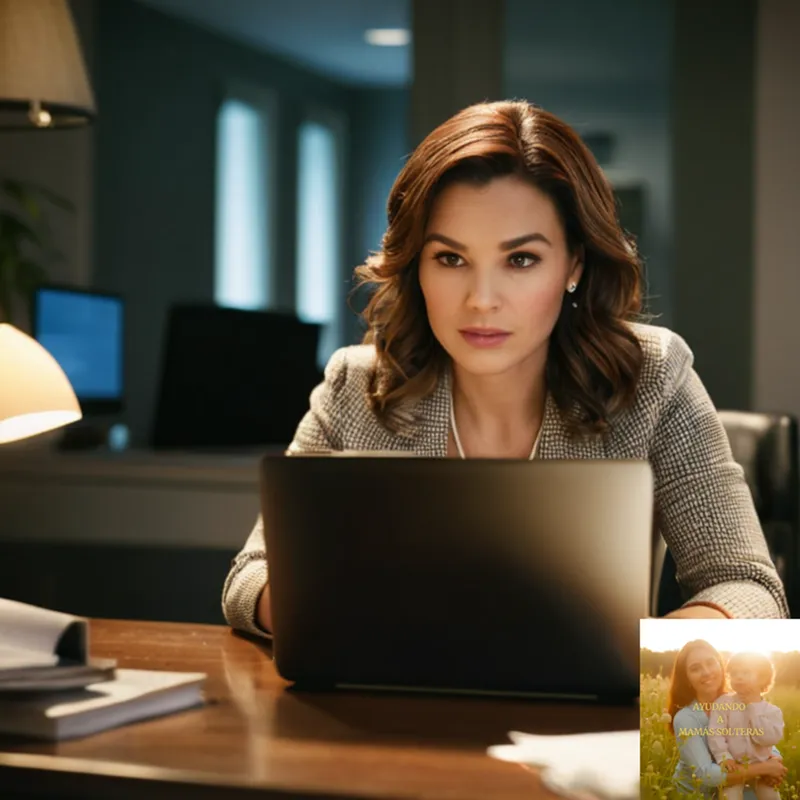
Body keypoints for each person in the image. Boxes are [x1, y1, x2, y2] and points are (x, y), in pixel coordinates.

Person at [221, 99, 789, 639]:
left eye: (521, 259)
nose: (482, 299)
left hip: (587, 729)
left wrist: (628, 654)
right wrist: (353, 612)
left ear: (574, 264)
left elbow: (750, 591)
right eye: (450, 258)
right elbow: (250, 579)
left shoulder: (652, 379)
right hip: (395, 713)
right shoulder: (357, 386)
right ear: (415, 266)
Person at [668, 640, 787, 799]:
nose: (706, 672)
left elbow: (761, 739)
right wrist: (765, 768)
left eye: (711, 663)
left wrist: (775, 760)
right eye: (695, 668)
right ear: (687, 678)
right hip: (700, 793)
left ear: (721, 666)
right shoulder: (685, 718)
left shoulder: (740, 700)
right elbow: (706, 774)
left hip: (740, 782)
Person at [707, 652, 785, 800]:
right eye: (734, 673)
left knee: (771, 797)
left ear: (762, 678)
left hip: (762, 770)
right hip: (734, 767)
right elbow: (715, 733)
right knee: (729, 796)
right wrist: (724, 758)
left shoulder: (772, 711)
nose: (739, 677)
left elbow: (768, 739)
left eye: (746, 672)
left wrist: (752, 707)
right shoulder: (723, 703)